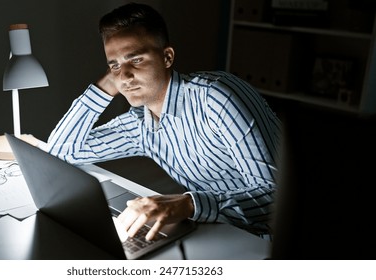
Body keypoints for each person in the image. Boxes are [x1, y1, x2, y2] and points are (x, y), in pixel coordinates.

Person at [41, 2, 282, 241]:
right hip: (218, 232)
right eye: (114, 65)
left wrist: (188, 204)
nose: (124, 76)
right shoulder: (139, 123)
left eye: (135, 60)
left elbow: (279, 198)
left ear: (167, 57)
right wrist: (105, 86)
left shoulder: (216, 98)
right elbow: (62, 152)